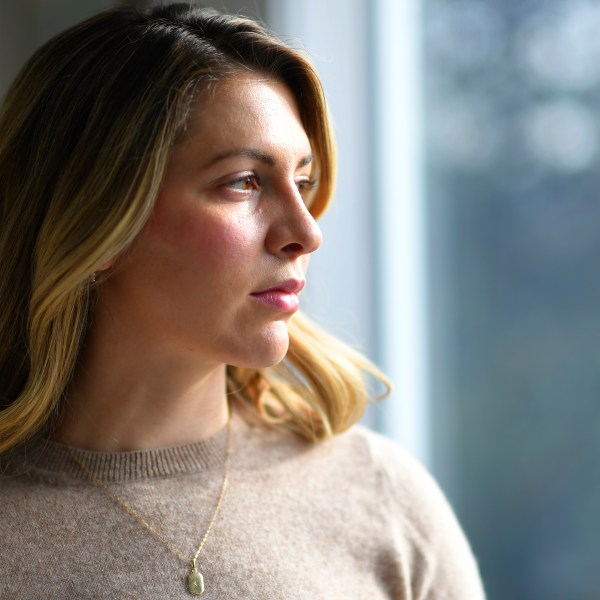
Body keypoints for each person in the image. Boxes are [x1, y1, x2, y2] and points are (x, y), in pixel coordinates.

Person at [0, 3, 485, 598]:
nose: (306, 232)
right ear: (97, 219)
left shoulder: (382, 498)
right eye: (243, 182)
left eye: (302, 182)